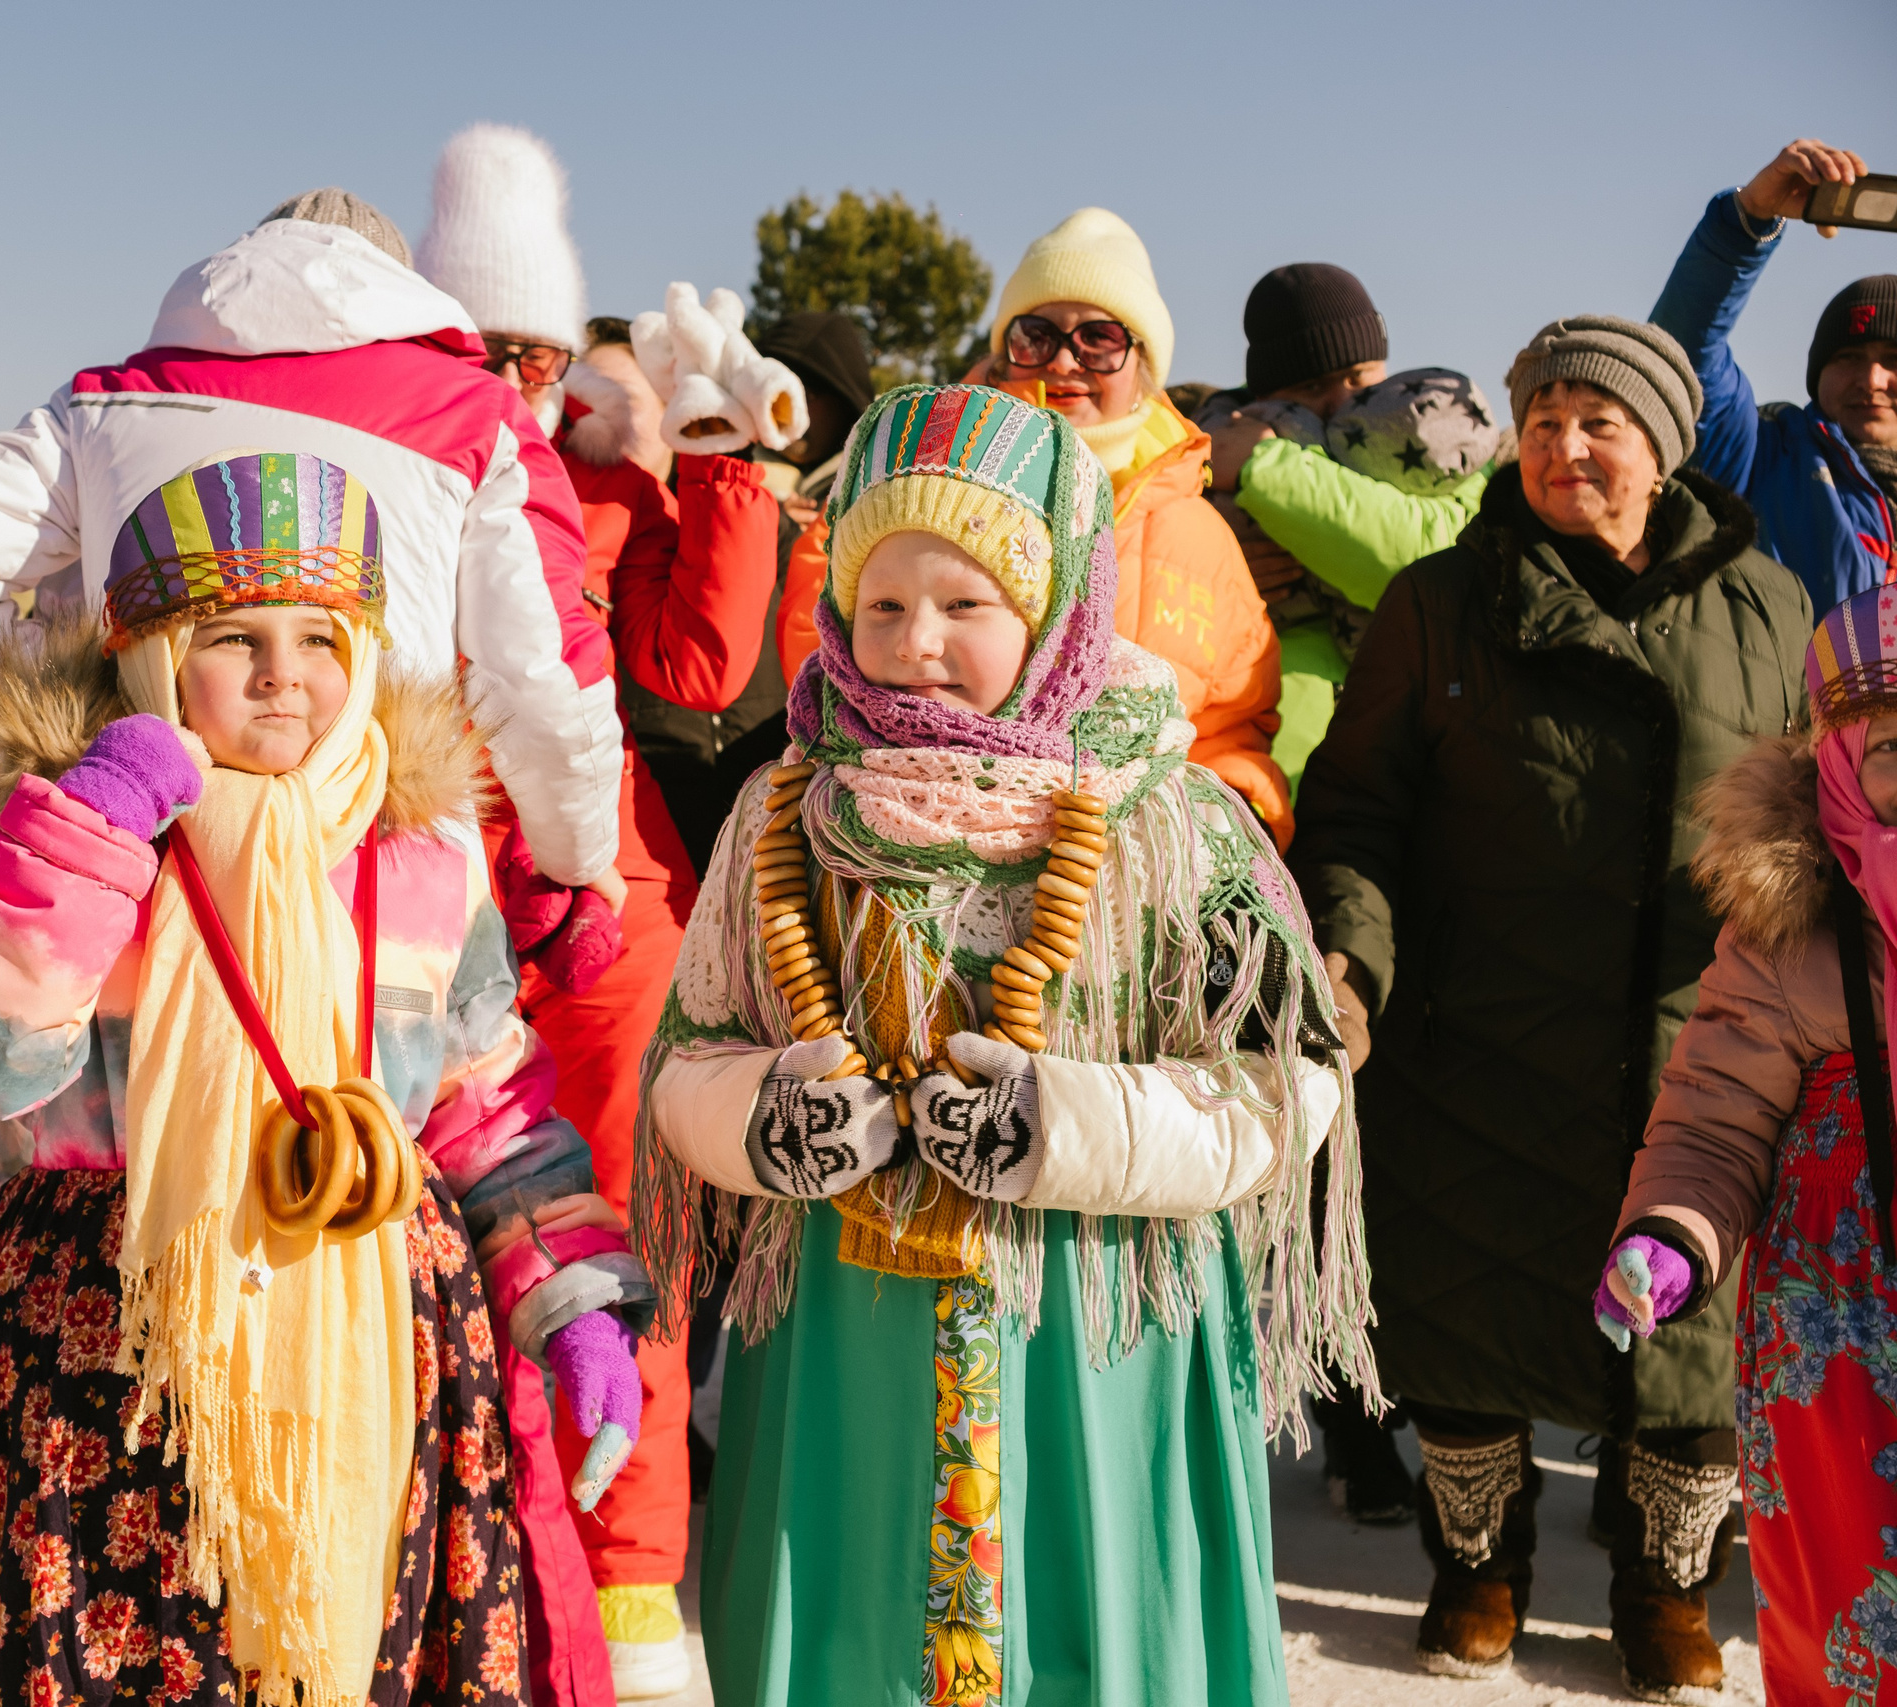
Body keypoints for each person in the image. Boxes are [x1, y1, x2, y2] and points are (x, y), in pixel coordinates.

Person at [0, 451, 651, 1707]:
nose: (285, 674)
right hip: (108, 1333)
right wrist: (92, 835)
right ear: (153, 658)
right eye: (232, 634)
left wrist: (575, 1301)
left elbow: (489, 1108)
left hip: (371, 1323)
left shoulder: (422, 866)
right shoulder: (89, 833)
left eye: (320, 638)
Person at [640, 382, 1372, 1707]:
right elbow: (688, 1057)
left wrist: (1069, 1126)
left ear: (1053, 611)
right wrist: (768, 1117)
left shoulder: (1174, 819)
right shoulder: (781, 811)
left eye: (968, 603)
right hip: (839, 1338)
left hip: (1098, 1336)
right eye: (885, 604)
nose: (919, 641)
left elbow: (1285, 1084)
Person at [1291, 315, 1811, 1694]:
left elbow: (1820, 804)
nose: (1564, 446)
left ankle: (1663, 1591)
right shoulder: (1436, 600)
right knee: (1469, 1316)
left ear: (1662, 444)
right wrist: (1351, 960)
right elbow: (1356, 810)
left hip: (1691, 1036)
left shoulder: (1766, 602)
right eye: (1539, 422)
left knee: (1686, 1341)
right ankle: (1480, 1569)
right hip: (1477, 1028)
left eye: (1598, 421)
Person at [417, 123, 780, 1702]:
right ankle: (462, 1552)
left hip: (606, 923)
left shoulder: (602, 480)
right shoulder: (379, 469)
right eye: (481, 342)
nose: (511, 375)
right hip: (420, 911)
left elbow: (704, 669)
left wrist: (718, 452)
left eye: (537, 350)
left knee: (621, 1253)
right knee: (437, 1254)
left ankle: (627, 1587)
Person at [0, 191, 626, 909]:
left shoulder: (104, 401)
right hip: (381, 877)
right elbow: (541, 674)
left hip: (149, 868)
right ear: (401, 292)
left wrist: (91, 743)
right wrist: (578, 860)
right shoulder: (476, 417)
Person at [1599, 579, 1897, 1703]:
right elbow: (1713, 1118)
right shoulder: (1794, 932)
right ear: (1832, 756)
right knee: (1847, 1599)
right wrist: (1670, 1234)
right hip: (1839, 1340)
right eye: (1891, 747)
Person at [972, 208, 1291, 846]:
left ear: (1141, 362)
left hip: (1139, 886)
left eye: (1099, 338)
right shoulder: (923, 483)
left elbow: (1233, 728)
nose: (1063, 362)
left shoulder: (1200, 536)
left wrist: (1227, 824)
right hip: (947, 865)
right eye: (1034, 335)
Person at [1196, 265, 1502, 802]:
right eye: (1313, 387)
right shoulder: (1204, 456)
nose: (1342, 402)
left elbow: (1433, 559)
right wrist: (1217, 549)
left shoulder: (1432, 443)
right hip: (1270, 771)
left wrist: (1264, 468)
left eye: (1361, 378)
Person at [638, 308, 877, 875]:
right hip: (694, 751)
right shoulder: (709, 474)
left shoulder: (870, 495)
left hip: (785, 747)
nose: (792, 406)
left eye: (812, 390)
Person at [1649, 138, 1896, 611]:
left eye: (1894, 359)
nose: (1872, 379)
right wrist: (1748, 220)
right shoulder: (1761, 458)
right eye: (1847, 357)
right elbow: (1681, 357)